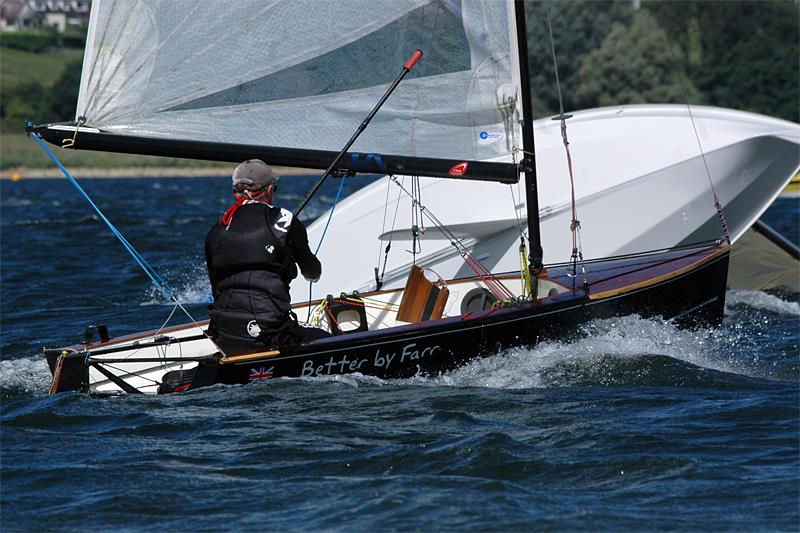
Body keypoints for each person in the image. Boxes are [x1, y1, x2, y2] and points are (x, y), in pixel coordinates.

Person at [205, 159, 330, 353]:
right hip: (272, 333)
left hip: (226, 336)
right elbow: (313, 272)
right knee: (328, 340)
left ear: (234, 193)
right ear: (270, 190)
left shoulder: (216, 230)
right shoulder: (285, 221)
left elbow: (216, 288)